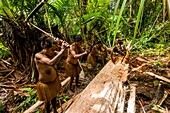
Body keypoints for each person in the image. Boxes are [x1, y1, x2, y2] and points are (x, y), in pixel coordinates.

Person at [34, 35, 68, 113]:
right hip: (45, 84)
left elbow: (65, 54)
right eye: (52, 49)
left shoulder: (51, 53)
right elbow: (51, 62)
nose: (53, 51)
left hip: (53, 81)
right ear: (45, 48)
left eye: (54, 49)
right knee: (47, 101)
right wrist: (62, 51)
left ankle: (55, 111)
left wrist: (62, 45)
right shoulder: (38, 55)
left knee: (54, 96)